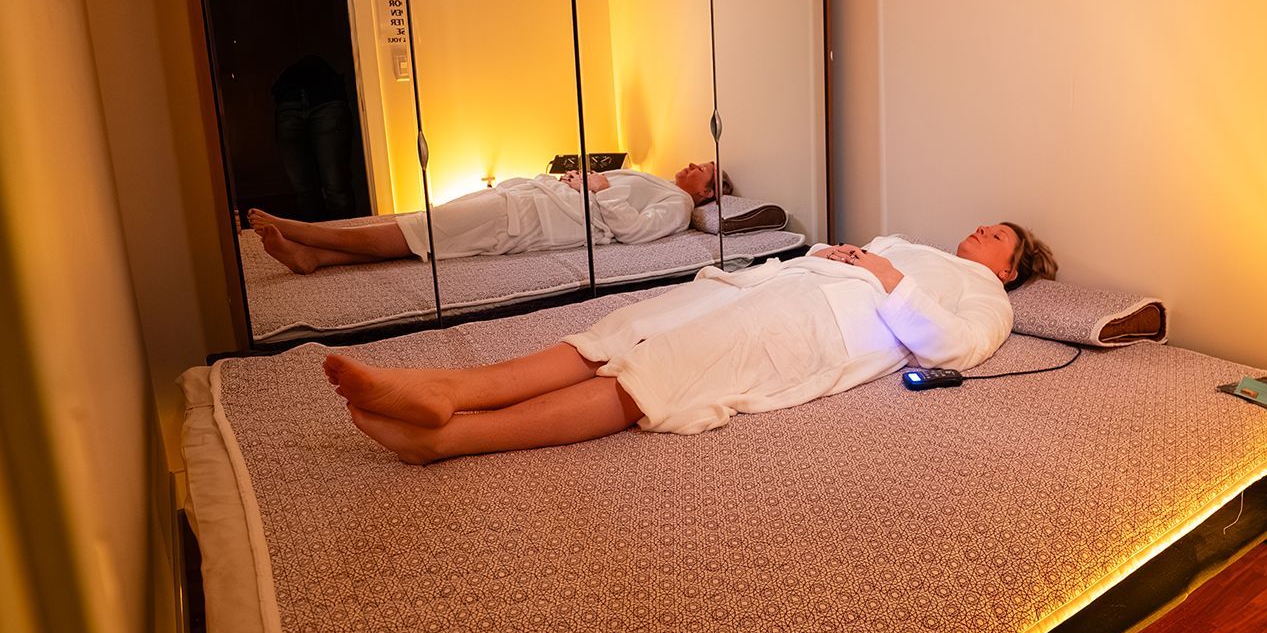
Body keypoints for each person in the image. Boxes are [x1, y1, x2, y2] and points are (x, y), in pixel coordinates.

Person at [326, 222, 1059, 463]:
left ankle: (454, 438)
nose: (983, 231)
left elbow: (953, 348)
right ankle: (448, 389)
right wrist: (837, 254)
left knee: (662, 371)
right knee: (624, 329)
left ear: (1008, 265)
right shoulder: (906, 239)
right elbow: (865, 261)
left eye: (1000, 234)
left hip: (810, 329)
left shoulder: (983, 293)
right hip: (772, 287)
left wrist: (882, 271)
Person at [250, 161, 723, 275]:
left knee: (426, 231)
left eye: (701, 168)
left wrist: (599, 191)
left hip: (535, 220)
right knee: (427, 224)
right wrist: (578, 177)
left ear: (705, 193)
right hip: (531, 197)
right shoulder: (650, 176)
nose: (691, 163)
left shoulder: (679, 208)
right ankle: (315, 257)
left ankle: (306, 231)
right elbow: (600, 188)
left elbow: (635, 233)